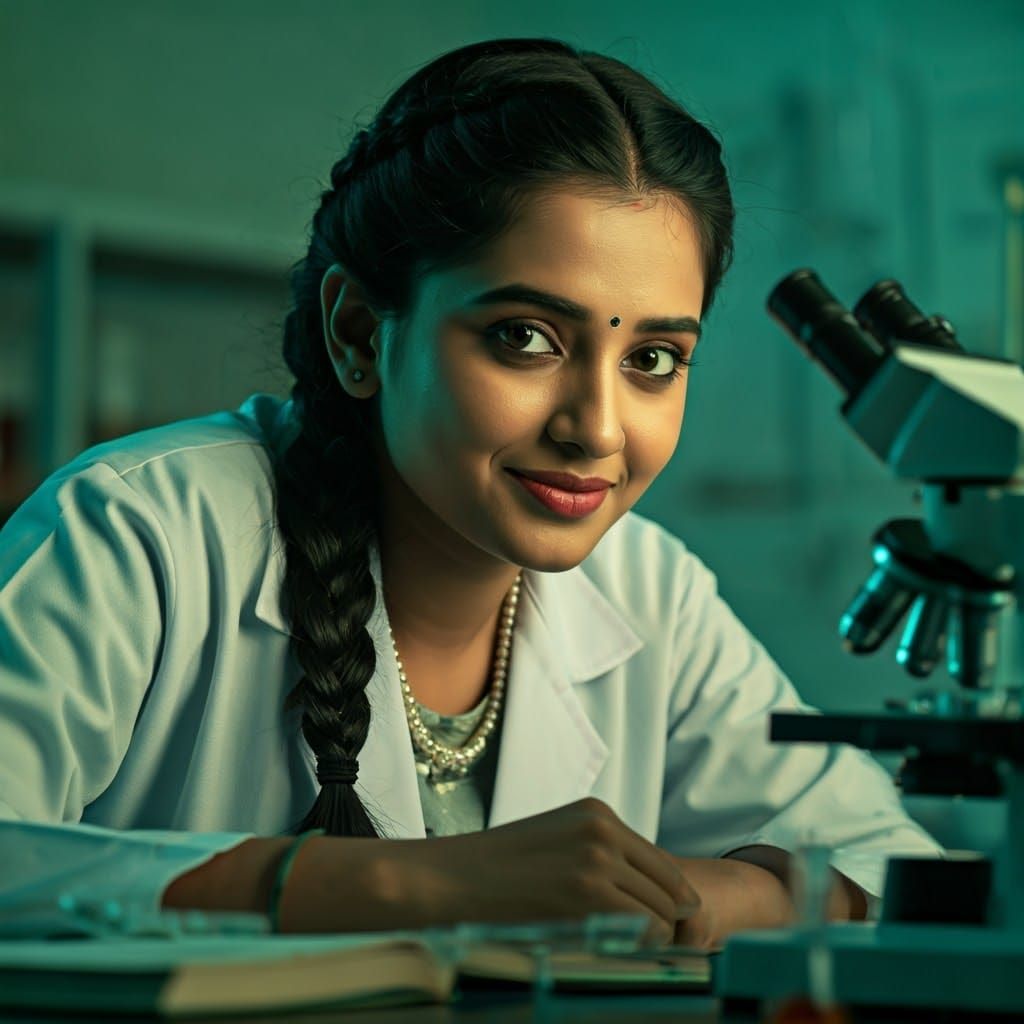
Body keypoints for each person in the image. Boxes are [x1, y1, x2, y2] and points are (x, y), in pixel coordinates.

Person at [0, 36, 941, 950]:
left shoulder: (652, 593)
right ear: (361, 333)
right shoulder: (145, 532)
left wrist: (738, 893)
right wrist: (405, 884)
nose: (599, 429)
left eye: (654, 359)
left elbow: (910, 873)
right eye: (525, 338)